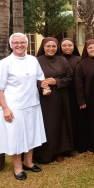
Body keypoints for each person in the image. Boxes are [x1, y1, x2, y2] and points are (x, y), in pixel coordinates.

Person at [0, 33, 47, 180]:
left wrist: (46, 87)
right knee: (16, 137)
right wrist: (5, 108)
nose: (19, 45)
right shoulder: (5, 63)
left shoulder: (33, 60)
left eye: (22, 42)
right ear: (11, 44)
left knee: (31, 134)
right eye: (16, 43)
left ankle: (28, 162)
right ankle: (17, 167)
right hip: (14, 107)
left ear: (26, 44)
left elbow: (41, 78)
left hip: (32, 104)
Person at [34, 37, 73, 164]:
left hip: (60, 96)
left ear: (57, 47)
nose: (51, 49)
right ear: (43, 47)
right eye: (48, 46)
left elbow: (69, 77)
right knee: (45, 125)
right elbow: (30, 78)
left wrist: (56, 81)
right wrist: (41, 84)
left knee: (59, 124)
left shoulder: (62, 60)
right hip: (43, 98)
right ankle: (44, 153)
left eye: (54, 46)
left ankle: (59, 151)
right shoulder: (36, 61)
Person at [75, 39, 94, 154]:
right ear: (86, 50)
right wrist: (81, 100)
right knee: (91, 122)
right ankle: (92, 145)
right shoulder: (82, 64)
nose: (93, 50)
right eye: (90, 48)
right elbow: (78, 84)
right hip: (89, 97)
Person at [59, 38, 81, 152]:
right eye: (64, 45)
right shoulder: (57, 59)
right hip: (61, 93)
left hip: (74, 93)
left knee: (75, 118)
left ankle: (75, 144)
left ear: (74, 47)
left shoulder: (79, 59)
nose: (67, 48)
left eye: (70, 45)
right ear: (60, 47)